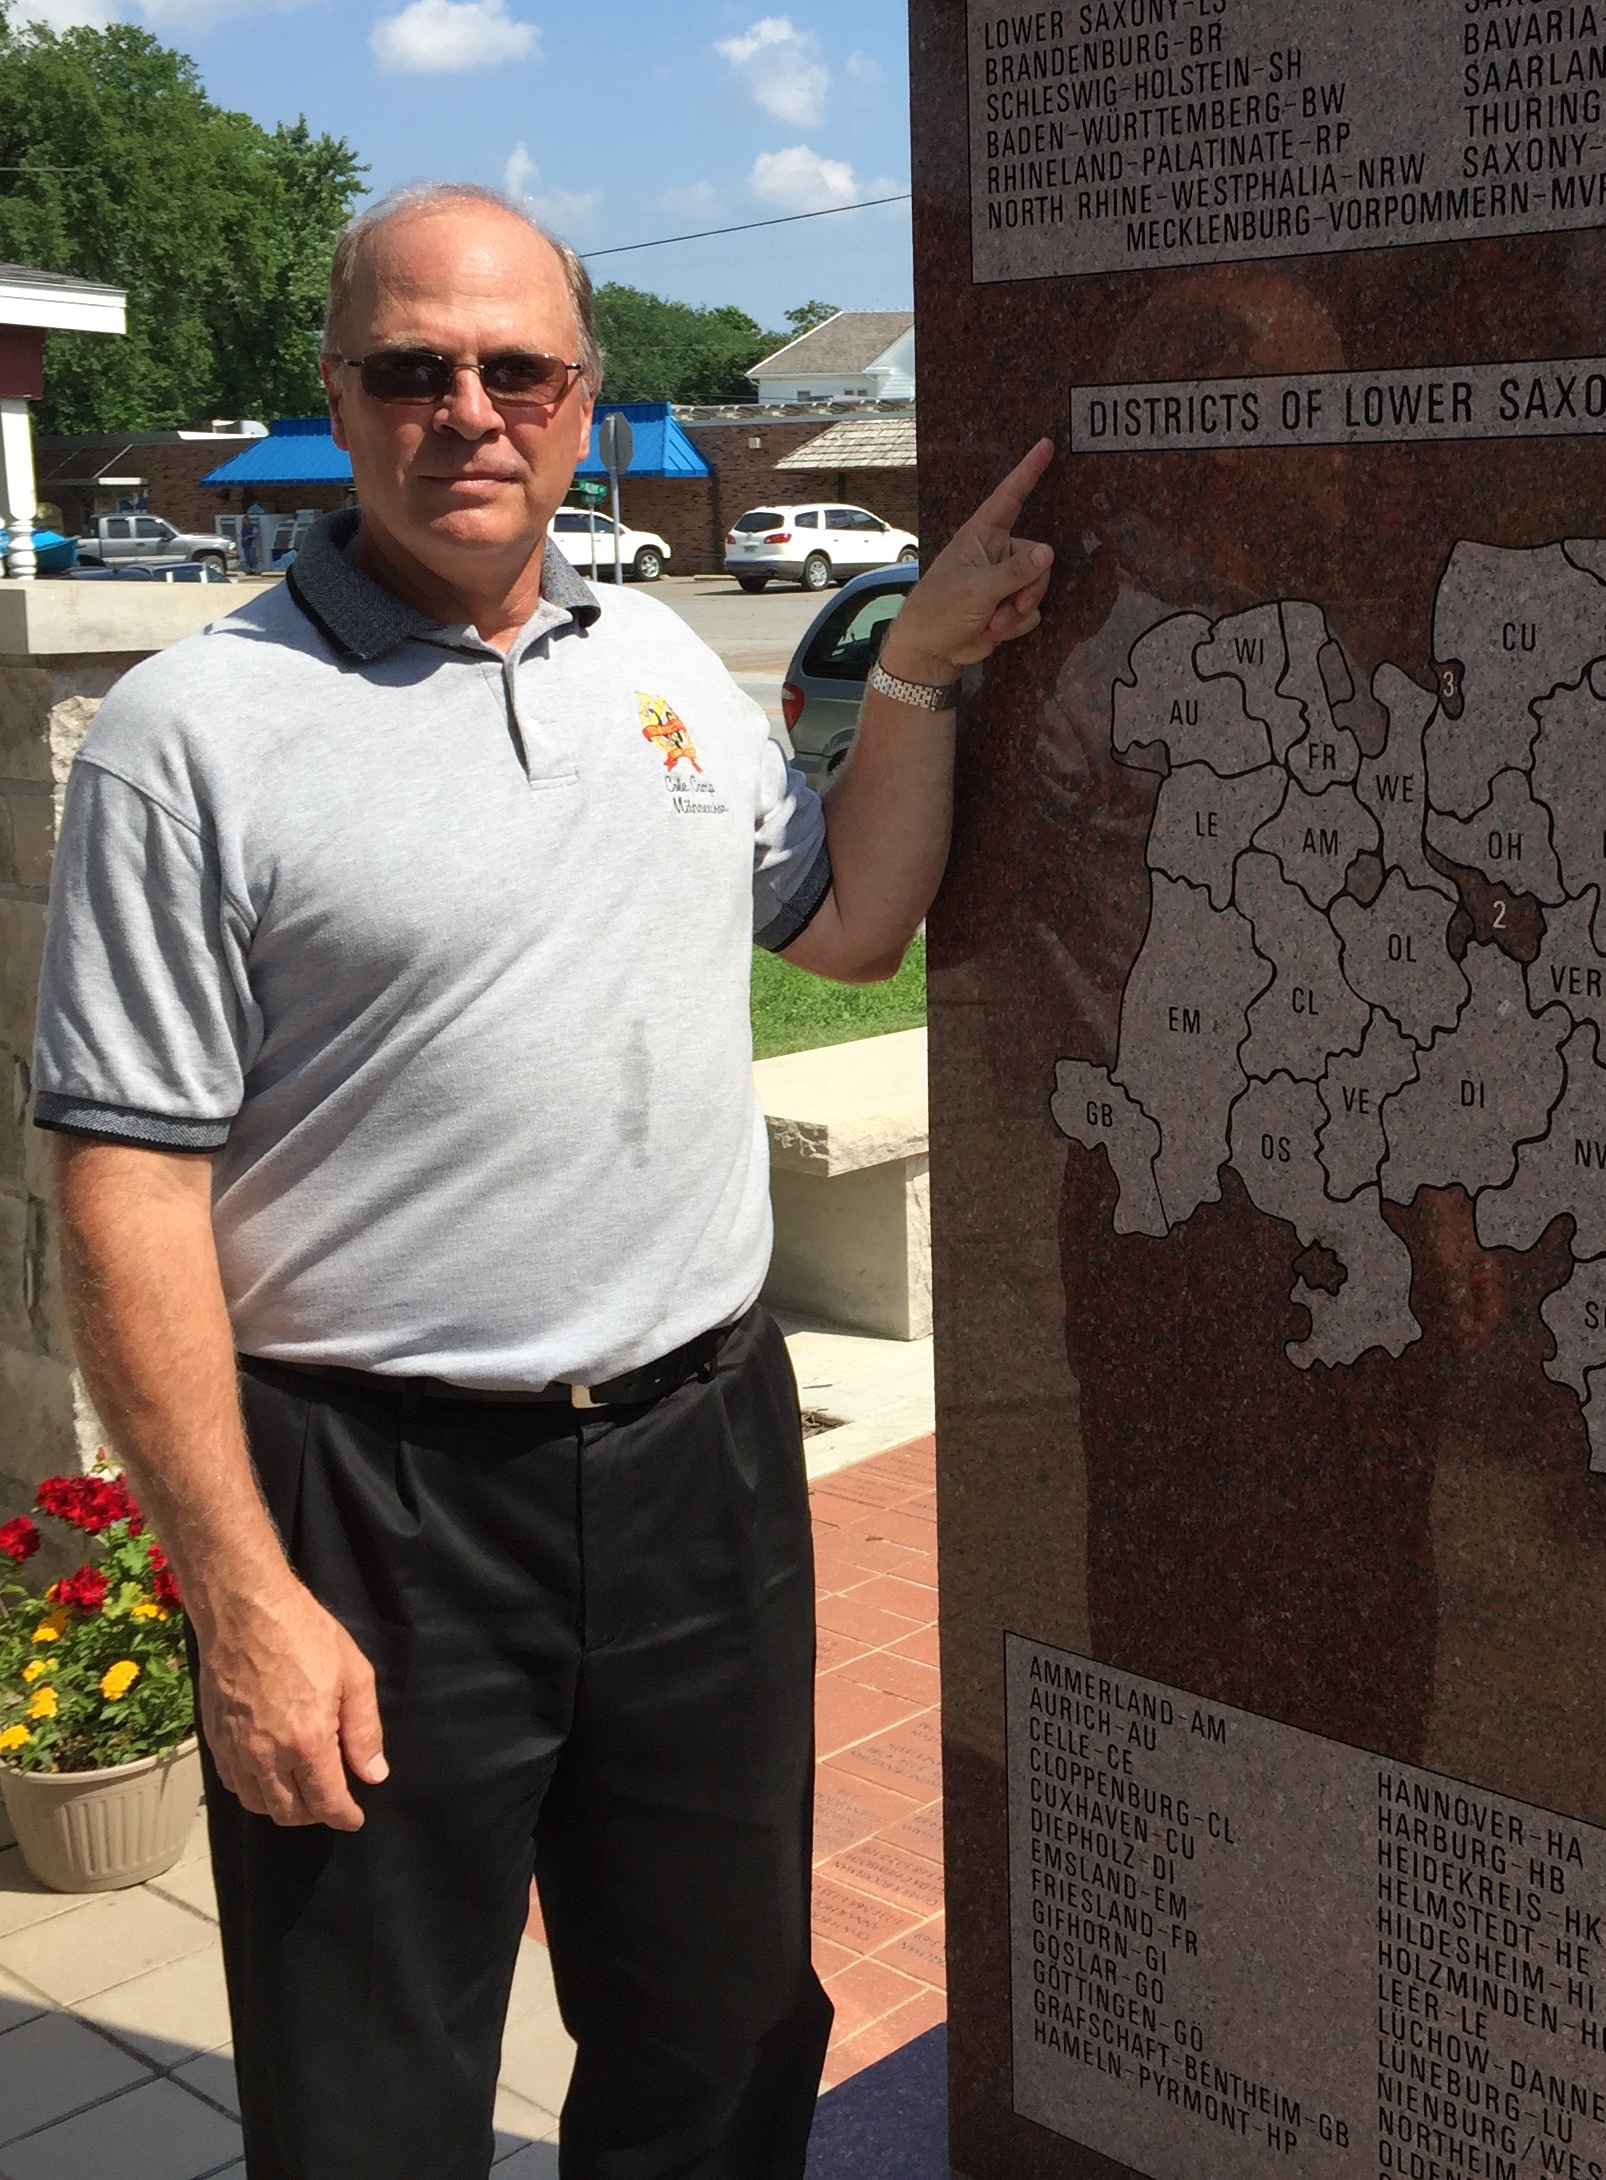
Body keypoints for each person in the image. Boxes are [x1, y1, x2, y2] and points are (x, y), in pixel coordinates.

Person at [30, 182, 1053, 2179]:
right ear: (339, 394)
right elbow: (125, 1192)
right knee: (372, 2096)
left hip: (701, 1461)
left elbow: (847, 927)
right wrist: (239, 1598)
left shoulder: (655, 663)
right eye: (414, 369)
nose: (469, 412)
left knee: (721, 2038)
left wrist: (919, 670)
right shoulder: (191, 737)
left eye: (518, 369)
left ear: (587, 400)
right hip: (373, 1500)